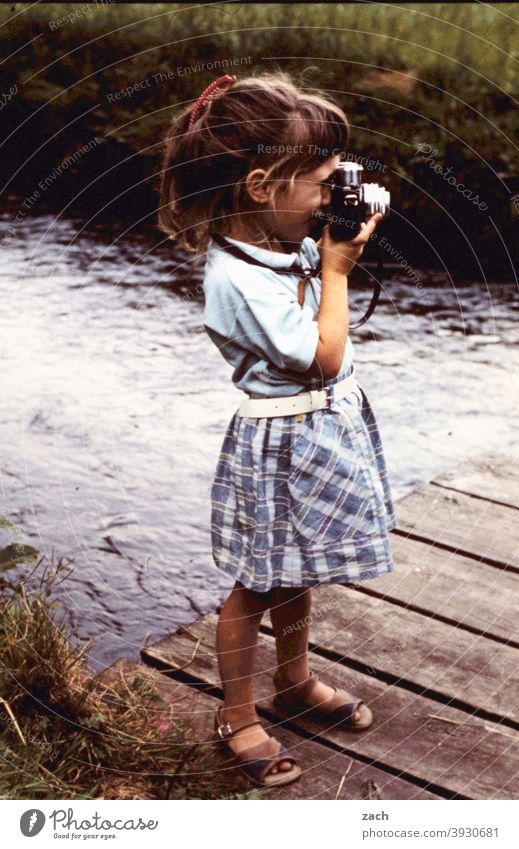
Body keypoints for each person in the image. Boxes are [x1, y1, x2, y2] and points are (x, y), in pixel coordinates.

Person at [158, 71, 397, 789]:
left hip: (317, 433)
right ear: (262, 186)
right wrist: (338, 266)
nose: (335, 195)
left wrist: (331, 225)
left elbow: (318, 315)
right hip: (281, 443)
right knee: (256, 584)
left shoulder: (272, 234)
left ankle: (291, 681)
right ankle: (236, 712)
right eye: (323, 183)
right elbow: (324, 357)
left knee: (299, 570)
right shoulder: (237, 279)